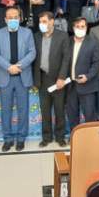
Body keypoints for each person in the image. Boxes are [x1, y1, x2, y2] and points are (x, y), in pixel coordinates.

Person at [0, 7, 36, 152]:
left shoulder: (27, 33)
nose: (13, 20)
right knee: (5, 110)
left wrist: (19, 66)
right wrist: (9, 67)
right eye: (10, 17)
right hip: (5, 77)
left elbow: (32, 52)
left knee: (23, 110)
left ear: (20, 18)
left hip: (22, 76)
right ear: (5, 19)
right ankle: (8, 139)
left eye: (15, 17)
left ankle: (21, 139)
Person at [33, 12, 70, 147]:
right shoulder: (36, 36)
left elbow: (66, 58)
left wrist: (61, 77)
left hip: (57, 79)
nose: (42, 24)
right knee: (45, 111)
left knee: (59, 110)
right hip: (42, 78)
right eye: (40, 22)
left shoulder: (63, 36)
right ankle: (46, 137)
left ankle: (60, 137)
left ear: (52, 21)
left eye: (44, 21)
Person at [66, 17, 99, 128]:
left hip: (87, 85)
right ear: (73, 28)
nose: (80, 29)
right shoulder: (67, 41)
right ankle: (75, 135)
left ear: (86, 28)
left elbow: (97, 63)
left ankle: (90, 136)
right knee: (72, 114)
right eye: (77, 26)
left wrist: (88, 76)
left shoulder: (93, 42)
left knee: (89, 115)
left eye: (82, 26)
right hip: (71, 85)